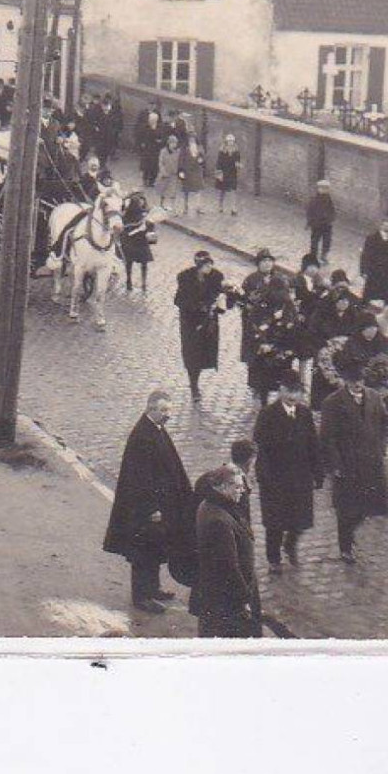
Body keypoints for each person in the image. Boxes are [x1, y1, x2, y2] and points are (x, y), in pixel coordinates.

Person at [102, 390, 195, 614]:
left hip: (158, 505)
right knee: (142, 551)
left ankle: (153, 588)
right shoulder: (142, 436)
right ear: (149, 409)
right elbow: (139, 478)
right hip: (144, 509)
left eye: (169, 410)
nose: (168, 415)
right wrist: (150, 508)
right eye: (163, 410)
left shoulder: (156, 429)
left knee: (153, 548)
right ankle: (141, 596)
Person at [319, 364, 388, 563]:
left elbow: (386, 423)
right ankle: (345, 547)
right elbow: (327, 438)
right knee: (346, 508)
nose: (358, 384)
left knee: (368, 506)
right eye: (353, 381)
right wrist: (335, 465)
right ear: (345, 381)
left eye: (360, 380)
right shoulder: (332, 403)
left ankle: (350, 536)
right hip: (346, 464)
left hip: (370, 462)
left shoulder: (375, 397)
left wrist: (381, 447)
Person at [253, 379, 323, 572]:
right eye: (288, 391)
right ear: (280, 390)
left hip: (300, 477)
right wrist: (264, 477)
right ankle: (274, 559)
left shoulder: (304, 413)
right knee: (275, 522)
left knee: (299, 519)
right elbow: (260, 447)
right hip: (275, 477)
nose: (292, 397)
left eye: (297, 392)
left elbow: (313, 444)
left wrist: (318, 472)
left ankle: (290, 545)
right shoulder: (267, 414)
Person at [189, 466, 262, 638]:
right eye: (237, 487)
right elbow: (229, 566)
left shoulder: (212, 505)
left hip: (219, 596)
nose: (242, 491)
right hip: (228, 601)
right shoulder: (218, 521)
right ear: (220, 487)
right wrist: (244, 599)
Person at [174, 251, 226, 398]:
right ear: (198, 265)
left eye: (211, 264)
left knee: (205, 353)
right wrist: (196, 307)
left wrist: (222, 303)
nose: (209, 267)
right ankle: (194, 385)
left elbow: (220, 297)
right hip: (190, 322)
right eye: (206, 264)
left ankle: (196, 380)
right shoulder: (185, 277)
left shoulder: (216, 277)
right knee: (192, 354)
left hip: (209, 323)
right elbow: (179, 300)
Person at [120, 189, 155, 292]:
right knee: (129, 263)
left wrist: (150, 229)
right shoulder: (128, 215)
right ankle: (128, 280)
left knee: (144, 264)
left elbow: (151, 229)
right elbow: (125, 227)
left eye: (142, 200)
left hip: (142, 242)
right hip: (131, 242)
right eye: (139, 200)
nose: (141, 202)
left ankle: (144, 282)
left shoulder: (146, 214)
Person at [359, 218, 388, 303]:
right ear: (381, 226)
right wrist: (364, 271)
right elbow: (366, 255)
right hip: (375, 270)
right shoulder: (372, 238)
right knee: (369, 294)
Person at [306, 179, 338, 264]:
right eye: (322, 188)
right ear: (318, 189)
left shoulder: (329, 200)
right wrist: (310, 221)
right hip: (317, 225)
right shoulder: (314, 200)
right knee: (314, 241)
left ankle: (324, 256)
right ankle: (313, 257)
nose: (324, 190)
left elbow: (332, 210)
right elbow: (310, 211)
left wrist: (331, 218)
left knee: (327, 241)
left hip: (327, 224)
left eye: (326, 188)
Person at [213, 134, 242, 215]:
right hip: (224, 173)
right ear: (226, 142)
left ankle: (233, 208)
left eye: (232, 141)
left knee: (233, 191)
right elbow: (219, 163)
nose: (230, 143)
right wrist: (219, 174)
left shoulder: (236, 152)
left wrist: (238, 165)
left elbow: (237, 161)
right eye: (229, 141)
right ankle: (220, 206)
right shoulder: (222, 151)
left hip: (232, 173)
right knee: (222, 191)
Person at [178, 136, 206, 215]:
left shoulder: (199, 150)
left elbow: (203, 160)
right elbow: (181, 161)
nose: (192, 143)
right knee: (186, 191)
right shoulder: (184, 151)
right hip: (187, 173)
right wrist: (181, 171)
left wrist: (201, 160)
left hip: (197, 173)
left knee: (198, 190)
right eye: (190, 141)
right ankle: (185, 207)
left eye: (193, 141)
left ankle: (198, 207)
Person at [155, 134, 181, 210]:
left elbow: (179, 162)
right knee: (163, 190)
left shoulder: (178, 152)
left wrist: (178, 171)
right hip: (164, 174)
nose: (173, 145)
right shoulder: (163, 151)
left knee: (172, 191)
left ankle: (172, 206)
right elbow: (160, 162)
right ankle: (161, 205)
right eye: (172, 143)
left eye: (175, 143)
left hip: (173, 174)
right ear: (168, 143)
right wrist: (163, 172)